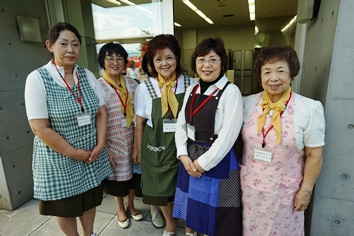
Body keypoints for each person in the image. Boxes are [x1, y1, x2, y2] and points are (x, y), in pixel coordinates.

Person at [24, 22, 111, 236]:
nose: (70, 49)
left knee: (89, 198)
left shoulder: (87, 75)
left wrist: (100, 144)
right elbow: (39, 128)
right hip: (59, 158)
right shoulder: (38, 78)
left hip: (91, 154)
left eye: (75, 44)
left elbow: (100, 113)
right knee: (67, 206)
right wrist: (73, 152)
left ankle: (89, 233)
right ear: (50, 45)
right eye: (63, 44)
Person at [240, 45, 325, 235]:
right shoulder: (247, 103)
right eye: (267, 72)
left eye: (280, 71)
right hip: (250, 189)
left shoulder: (309, 109)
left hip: (285, 194)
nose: (273, 78)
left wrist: (306, 190)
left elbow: (314, 155)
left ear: (292, 73)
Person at [173, 37, 243, 236]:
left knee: (216, 216)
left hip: (217, 160)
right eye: (201, 59)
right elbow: (181, 125)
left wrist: (203, 163)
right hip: (189, 156)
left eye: (213, 59)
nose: (207, 65)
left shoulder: (231, 92)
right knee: (192, 209)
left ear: (222, 63)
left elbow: (229, 136)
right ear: (195, 62)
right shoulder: (191, 89)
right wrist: (183, 156)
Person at [133, 34, 194, 236]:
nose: (164, 63)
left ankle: (189, 225)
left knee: (188, 188)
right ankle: (169, 223)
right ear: (152, 63)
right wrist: (138, 149)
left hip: (186, 147)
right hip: (156, 146)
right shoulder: (145, 87)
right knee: (162, 192)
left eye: (168, 57)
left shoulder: (191, 84)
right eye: (158, 59)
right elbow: (140, 123)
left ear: (176, 57)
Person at [96, 42, 143, 229]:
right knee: (117, 180)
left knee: (132, 176)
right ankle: (120, 210)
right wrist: (105, 148)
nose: (115, 62)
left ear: (125, 62)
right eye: (110, 58)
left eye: (119, 58)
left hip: (133, 138)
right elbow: (96, 119)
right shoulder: (98, 86)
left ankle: (131, 205)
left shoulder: (133, 84)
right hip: (112, 141)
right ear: (103, 62)